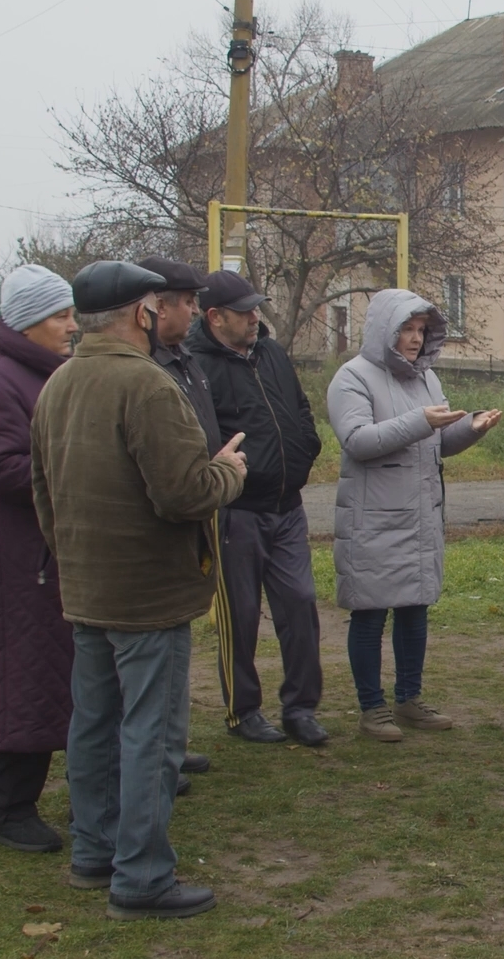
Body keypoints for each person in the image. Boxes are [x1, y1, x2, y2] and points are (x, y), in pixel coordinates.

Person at [30, 261, 247, 920]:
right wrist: (228, 471)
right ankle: (142, 876)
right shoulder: (146, 386)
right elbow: (184, 494)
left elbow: (43, 493)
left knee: (93, 725)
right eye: (155, 307)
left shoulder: (57, 385)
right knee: (151, 734)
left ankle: (94, 854)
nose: (160, 317)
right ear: (137, 315)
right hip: (150, 593)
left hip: (88, 585)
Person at [327, 289, 501, 742]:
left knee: (414, 610)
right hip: (373, 520)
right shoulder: (352, 379)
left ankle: (408, 699)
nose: (415, 339)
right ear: (385, 329)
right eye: (407, 329)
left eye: (422, 330)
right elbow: (359, 441)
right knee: (369, 613)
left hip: (419, 518)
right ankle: (372, 708)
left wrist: (470, 429)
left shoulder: (427, 380)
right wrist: (423, 422)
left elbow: (434, 444)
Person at [0, 264, 77, 854]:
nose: (71, 326)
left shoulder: (38, 375)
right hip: (11, 563)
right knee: (19, 678)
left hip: (43, 557)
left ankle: (77, 792)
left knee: (52, 676)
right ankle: (7, 808)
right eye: (60, 315)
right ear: (28, 321)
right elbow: (1, 468)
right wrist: (77, 466)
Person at [187, 271, 329, 747]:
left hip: (287, 507)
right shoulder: (194, 366)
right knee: (240, 615)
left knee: (301, 604)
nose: (255, 317)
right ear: (215, 317)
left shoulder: (270, 352)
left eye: (256, 307)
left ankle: (301, 707)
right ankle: (243, 710)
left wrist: (307, 445)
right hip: (235, 511)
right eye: (245, 311)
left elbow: (299, 408)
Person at [135, 255, 221, 775]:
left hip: (194, 512)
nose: (193, 311)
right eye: (187, 302)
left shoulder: (185, 359)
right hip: (158, 525)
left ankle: (170, 745)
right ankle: (154, 759)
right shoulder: (143, 371)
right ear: (154, 307)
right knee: (148, 654)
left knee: (176, 644)